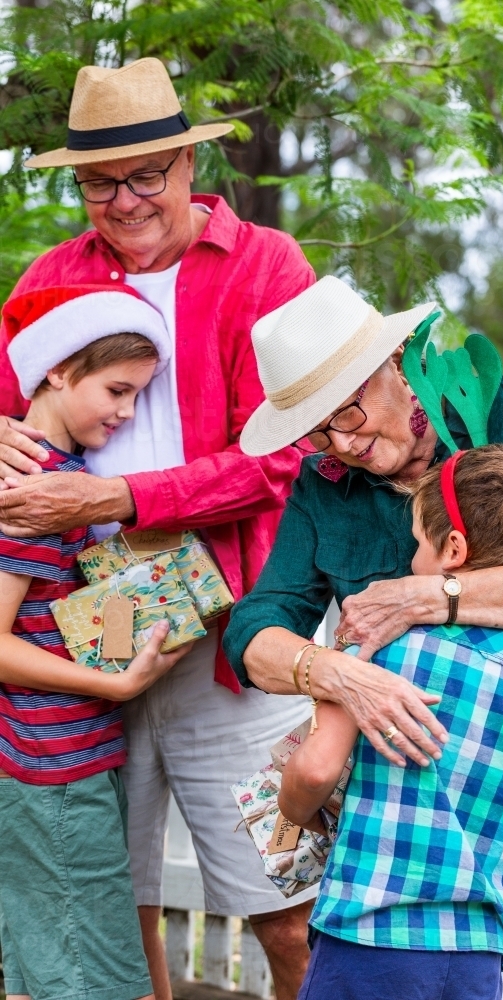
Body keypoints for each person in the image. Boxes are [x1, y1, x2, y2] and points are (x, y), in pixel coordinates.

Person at [223, 274, 503, 1000]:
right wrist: (333, 674)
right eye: (319, 431)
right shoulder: (322, 487)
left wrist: (423, 596)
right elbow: (254, 628)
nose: (343, 443)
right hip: (430, 808)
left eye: (349, 412)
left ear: (396, 362)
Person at [0, 58, 316, 1000]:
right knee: (115, 897)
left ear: (187, 163)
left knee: (287, 897)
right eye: (101, 181)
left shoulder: (266, 265)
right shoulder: (52, 275)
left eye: (147, 174)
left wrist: (115, 499)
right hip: (78, 637)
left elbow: (282, 458)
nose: (126, 199)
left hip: (235, 628)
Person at [278, 444, 503, 1000]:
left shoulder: (382, 643)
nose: (411, 557)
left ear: (453, 549)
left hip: (369, 936)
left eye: (417, 542)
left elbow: (317, 771)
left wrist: (295, 809)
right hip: (477, 952)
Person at [0, 284, 193, 1000]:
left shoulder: (69, 479)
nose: (127, 411)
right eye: (116, 389)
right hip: (50, 773)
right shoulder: (36, 488)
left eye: (139, 395)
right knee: (106, 984)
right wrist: (114, 685)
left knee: (43, 979)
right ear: (56, 370)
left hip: (67, 761)